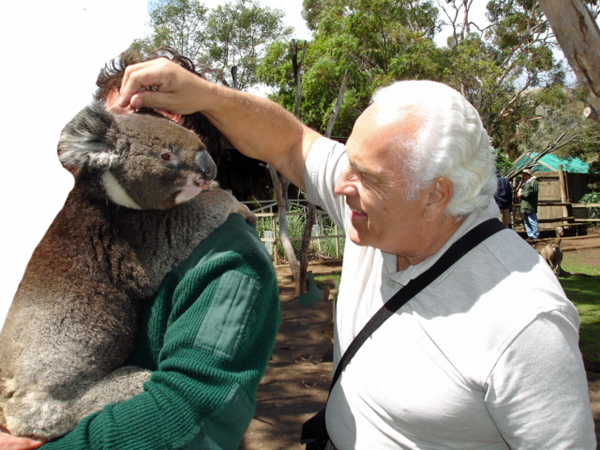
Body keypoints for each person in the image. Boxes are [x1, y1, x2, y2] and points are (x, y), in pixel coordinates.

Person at [112, 57, 596, 449]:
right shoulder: (382, 215)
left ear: (436, 194)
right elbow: (290, 144)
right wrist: (205, 95)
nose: (341, 185)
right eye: (349, 163)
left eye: (366, 177)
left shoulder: (526, 323)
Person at [0, 51, 281, 450]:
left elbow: (186, 411)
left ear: (173, 121)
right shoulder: (97, 212)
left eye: (128, 116)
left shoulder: (228, 255)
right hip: (49, 398)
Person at [518, 168, 540, 240]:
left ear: (528, 175)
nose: (523, 176)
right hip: (525, 205)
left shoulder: (533, 182)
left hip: (530, 205)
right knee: (527, 221)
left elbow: (531, 192)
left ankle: (535, 235)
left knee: (532, 220)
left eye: (524, 174)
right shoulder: (526, 182)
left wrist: (522, 194)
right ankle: (530, 234)